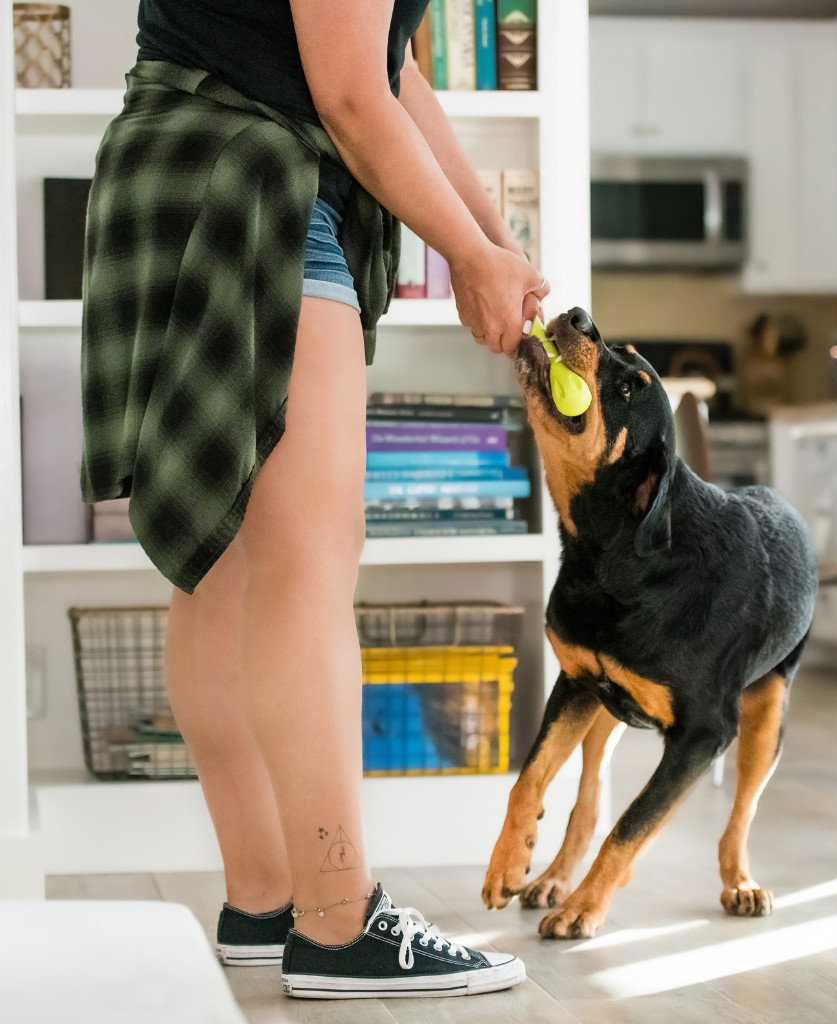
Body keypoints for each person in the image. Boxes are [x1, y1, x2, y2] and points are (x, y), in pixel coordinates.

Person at [80, 0, 549, 1000]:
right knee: (305, 557)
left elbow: (393, 70)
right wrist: (470, 259)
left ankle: (264, 900)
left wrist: (495, 243)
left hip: (191, 165)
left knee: (228, 559)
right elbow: (348, 94)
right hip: (248, 174)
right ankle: (338, 920)